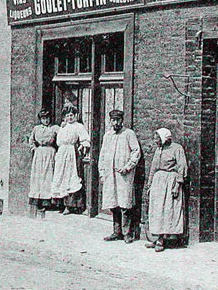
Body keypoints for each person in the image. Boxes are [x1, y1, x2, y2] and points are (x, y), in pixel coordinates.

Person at [99, 110, 141, 242]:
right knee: (113, 203)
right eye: (113, 120)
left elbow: (136, 151)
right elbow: (103, 155)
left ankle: (127, 233)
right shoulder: (108, 136)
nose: (116, 123)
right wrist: (102, 172)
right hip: (110, 175)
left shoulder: (128, 134)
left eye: (118, 120)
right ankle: (116, 232)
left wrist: (128, 167)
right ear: (110, 121)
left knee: (125, 204)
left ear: (122, 121)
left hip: (124, 175)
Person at [146, 128, 188, 252]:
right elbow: (153, 168)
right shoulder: (159, 149)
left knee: (167, 211)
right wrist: (150, 185)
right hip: (158, 183)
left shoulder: (177, 148)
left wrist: (177, 185)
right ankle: (157, 237)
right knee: (157, 211)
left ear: (165, 138)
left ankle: (162, 240)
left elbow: (182, 167)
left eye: (157, 139)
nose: (155, 142)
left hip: (170, 181)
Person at [51, 105, 90, 214]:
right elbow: (58, 140)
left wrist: (83, 145)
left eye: (72, 115)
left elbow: (85, 139)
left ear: (76, 115)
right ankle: (62, 205)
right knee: (61, 177)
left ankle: (73, 206)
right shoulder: (63, 126)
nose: (70, 118)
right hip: (61, 153)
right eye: (67, 116)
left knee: (71, 177)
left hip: (71, 153)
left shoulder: (78, 126)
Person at [28, 109, 58, 212]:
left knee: (48, 175)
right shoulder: (36, 129)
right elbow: (31, 140)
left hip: (49, 152)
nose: (46, 121)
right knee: (38, 176)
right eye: (43, 118)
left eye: (47, 118)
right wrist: (34, 148)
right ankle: (38, 200)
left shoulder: (54, 128)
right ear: (40, 119)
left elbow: (63, 134)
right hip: (39, 153)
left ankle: (48, 201)